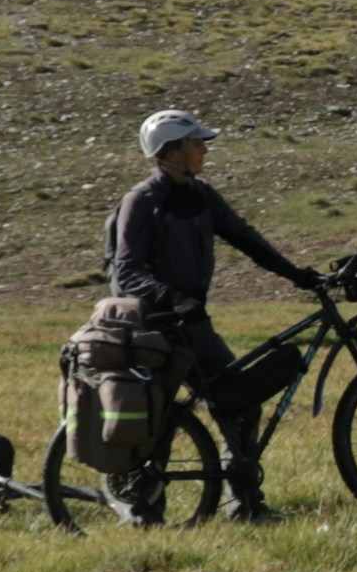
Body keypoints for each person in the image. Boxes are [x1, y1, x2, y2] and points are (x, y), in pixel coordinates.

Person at [109, 107, 320, 522]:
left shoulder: (202, 195)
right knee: (161, 418)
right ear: (171, 151)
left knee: (241, 401)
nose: (205, 149)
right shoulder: (141, 201)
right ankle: (145, 512)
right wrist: (170, 297)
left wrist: (299, 276)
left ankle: (242, 505)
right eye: (196, 142)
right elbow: (127, 271)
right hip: (155, 326)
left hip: (193, 323)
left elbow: (247, 239)